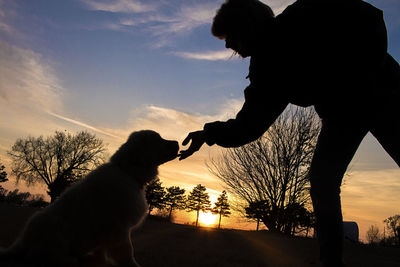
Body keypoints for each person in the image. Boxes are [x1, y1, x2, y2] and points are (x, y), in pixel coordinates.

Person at [179, 0, 400, 266]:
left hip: (385, 94)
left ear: (248, 26)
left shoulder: (306, 13)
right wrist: (208, 134)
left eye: (229, 36)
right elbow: (249, 125)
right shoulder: (266, 70)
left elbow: (371, 17)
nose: (227, 46)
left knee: (323, 180)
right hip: (342, 117)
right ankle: (331, 262)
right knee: (322, 181)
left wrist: (363, 77)